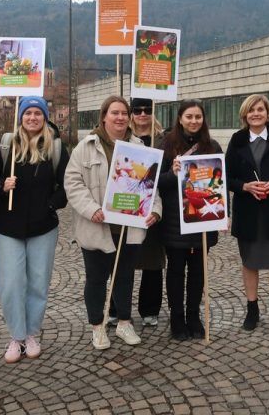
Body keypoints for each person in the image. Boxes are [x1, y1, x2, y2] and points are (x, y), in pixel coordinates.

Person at [64, 95, 161, 350]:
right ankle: (98, 326)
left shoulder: (139, 147)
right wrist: (91, 209)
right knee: (96, 279)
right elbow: (72, 184)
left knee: (124, 277)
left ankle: (124, 323)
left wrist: (156, 211)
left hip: (129, 227)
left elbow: (152, 185)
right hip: (97, 225)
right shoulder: (86, 146)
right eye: (114, 113)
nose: (120, 117)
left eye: (123, 113)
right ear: (104, 116)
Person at [0, 96, 69, 363]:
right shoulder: (7, 144)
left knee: (37, 283)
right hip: (8, 226)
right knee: (9, 283)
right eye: (28, 113)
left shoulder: (54, 147)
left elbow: (66, 187)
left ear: (45, 117)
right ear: (20, 116)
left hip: (43, 227)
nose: (32, 117)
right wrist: (2, 186)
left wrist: (50, 206)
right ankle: (16, 336)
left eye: (38, 113)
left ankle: (31, 334)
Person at [225, 94, 269, 341]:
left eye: (260, 109)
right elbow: (227, 177)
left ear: (268, 113)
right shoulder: (236, 141)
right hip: (248, 212)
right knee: (250, 263)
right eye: (251, 110)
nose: (256, 114)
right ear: (245, 115)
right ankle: (252, 310)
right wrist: (245, 187)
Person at [157, 99, 222, 340]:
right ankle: (177, 318)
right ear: (180, 119)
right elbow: (156, 183)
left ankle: (194, 315)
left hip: (202, 218)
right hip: (175, 222)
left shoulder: (212, 146)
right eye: (189, 117)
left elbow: (220, 184)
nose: (194, 121)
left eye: (198, 117)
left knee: (197, 272)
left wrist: (223, 214)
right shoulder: (167, 145)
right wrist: (171, 173)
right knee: (175, 272)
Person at [108, 98, 166, 327]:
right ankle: (117, 308)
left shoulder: (163, 139)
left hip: (152, 204)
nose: (142, 114)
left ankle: (149, 309)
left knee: (152, 260)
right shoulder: (122, 136)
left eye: (147, 110)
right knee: (122, 260)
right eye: (138, 110)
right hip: (127, 202)